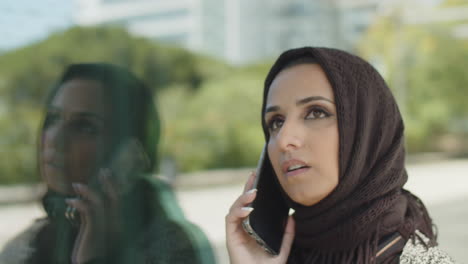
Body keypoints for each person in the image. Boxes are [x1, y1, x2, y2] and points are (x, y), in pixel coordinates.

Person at [226, 47, 456, 263]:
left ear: (368, 129)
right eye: (276, 122)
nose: (284, 140)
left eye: (316, 113)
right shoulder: (284, 253)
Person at [0, 63, 215, 264]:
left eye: (84, 127)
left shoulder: (171, 248)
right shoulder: (23, 249)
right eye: (53, 119)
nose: (55, 139)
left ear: (129, 154)